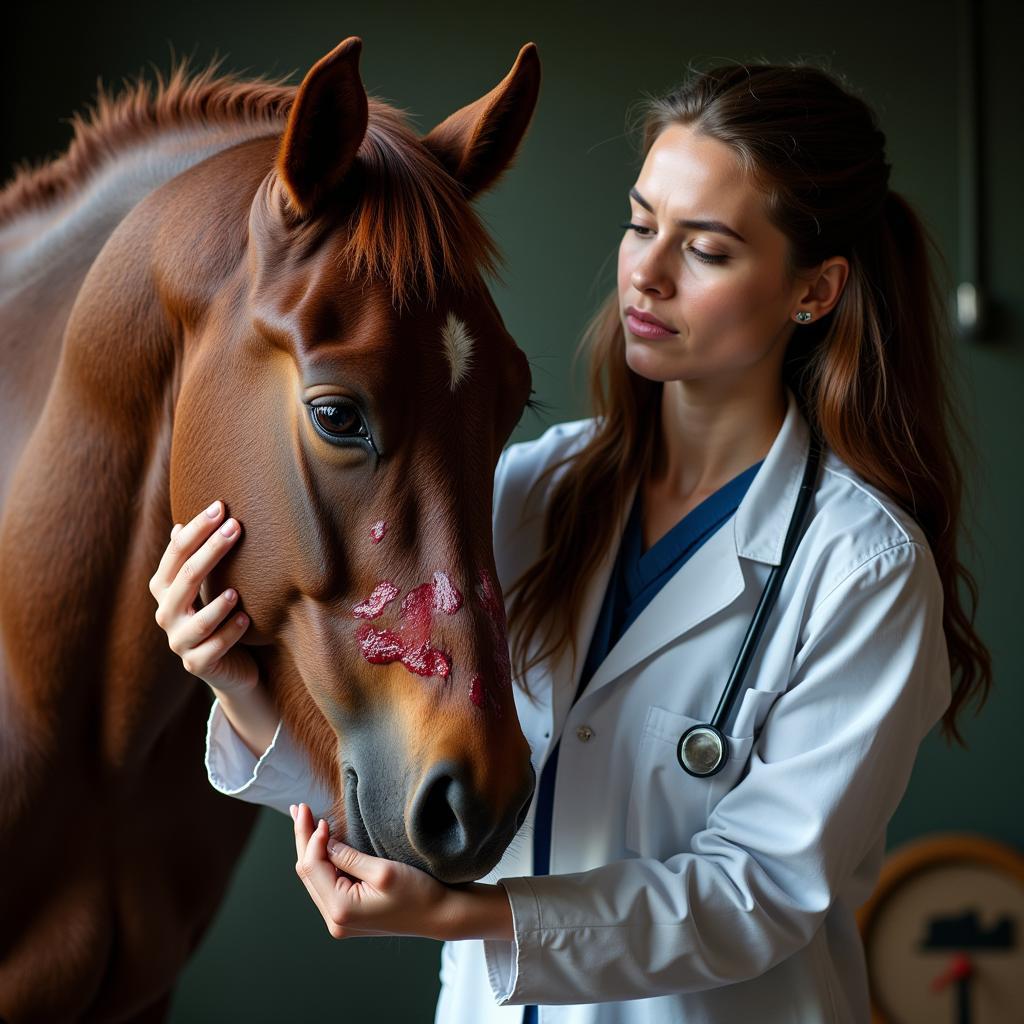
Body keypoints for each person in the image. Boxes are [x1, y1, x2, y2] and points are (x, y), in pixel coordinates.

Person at [149, 60, 991, 1023]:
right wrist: (233, 678)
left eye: (707, 249)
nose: (649, 272)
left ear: (814, 291)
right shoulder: (525, 493)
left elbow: (762, 893)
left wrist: (479, 918)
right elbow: (409, 790)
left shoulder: (863, 569)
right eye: (641, 224)